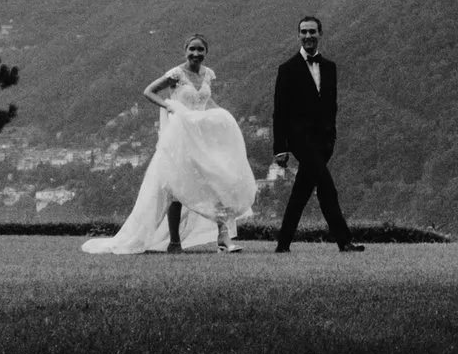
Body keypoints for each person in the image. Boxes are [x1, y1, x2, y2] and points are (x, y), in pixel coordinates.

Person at [82, 35, 261, 256]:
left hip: (200, 135)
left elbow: (206, 102)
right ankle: (174, 241)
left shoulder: (207, 74)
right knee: (175, 187)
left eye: (200, 50)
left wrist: (220, 116)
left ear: (206, 52)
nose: (196, 54)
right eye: (192, 49)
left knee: (216, 184)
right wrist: (169, 106)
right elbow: (149, 91)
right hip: (180, 136)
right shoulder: (176, 74)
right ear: (185, 50)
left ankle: (223, 239)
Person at [270, 14, 363, 253]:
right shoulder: (287, 69)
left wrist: (332, 136)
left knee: (301, 191)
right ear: (298, 35)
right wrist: (280, 148)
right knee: (327, 187)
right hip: (300, 140)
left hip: (324, 142)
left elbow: (331, 105)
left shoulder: (330, 67)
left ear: (320, 34)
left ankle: (283, 244)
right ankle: (344, 241)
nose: (308, 36)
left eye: (312, 31)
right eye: (304, 32)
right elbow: (279, 111)